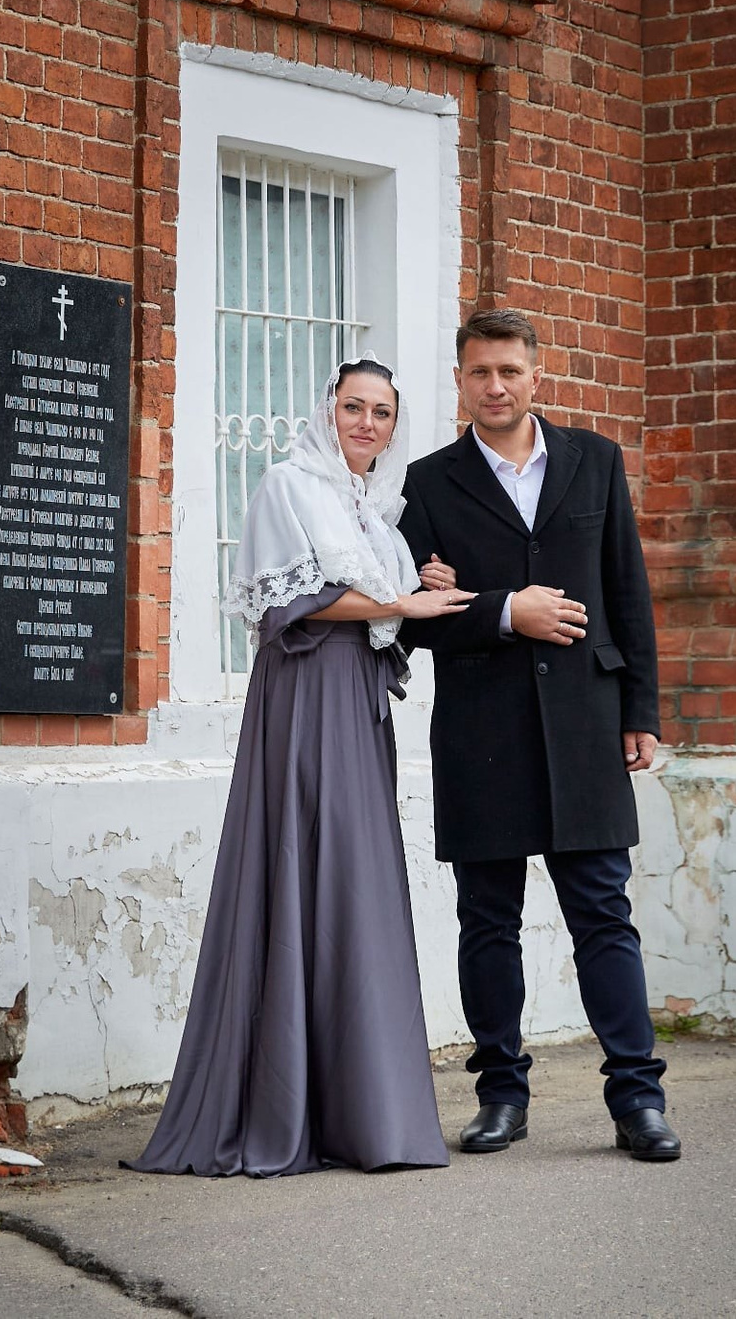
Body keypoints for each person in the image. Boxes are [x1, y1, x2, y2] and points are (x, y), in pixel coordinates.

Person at [127, 359, 472, 1178]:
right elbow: (299, 603)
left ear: (395, 427)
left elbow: (379, 595)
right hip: (307, 689)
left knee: (354, 878)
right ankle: (289, 1107)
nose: (367, 424)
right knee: (310, 864)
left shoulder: (377, 511)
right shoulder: (291, 485)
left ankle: (357, 1112)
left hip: (355, 695)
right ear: (328, 412)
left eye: (382, 413)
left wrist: (420, 583)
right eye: (354, 407)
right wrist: (400, 602)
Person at [397, 308, 682, 1162]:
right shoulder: (426, 482)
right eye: (479, 372)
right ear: (459, 381)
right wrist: (499, 610)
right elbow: (407, 622)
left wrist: (642, 710)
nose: (496, 386)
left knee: (605, 915)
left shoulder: (596, 461)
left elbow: (625, 588)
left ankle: (639, 1101)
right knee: (488, 920)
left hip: (588, 723)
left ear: (535, 374)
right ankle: (500, 1096)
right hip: (482, 727)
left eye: (509, 370)